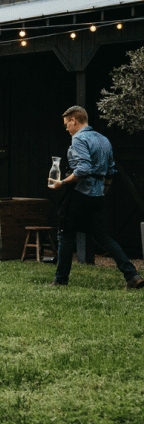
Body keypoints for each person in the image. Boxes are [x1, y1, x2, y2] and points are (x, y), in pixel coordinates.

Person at [47, 106, 144, 289]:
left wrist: (63, 184)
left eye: (67, 124)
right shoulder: (103, 139)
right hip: (97, 196)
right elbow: (110, 172)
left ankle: (60, 281)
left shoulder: (78, 139)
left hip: (78, 194)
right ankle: (132, 275)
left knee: (66, 236)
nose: (66, 128)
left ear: (74, 121)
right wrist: (101, 194)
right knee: (104, 237)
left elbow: (83, 169)